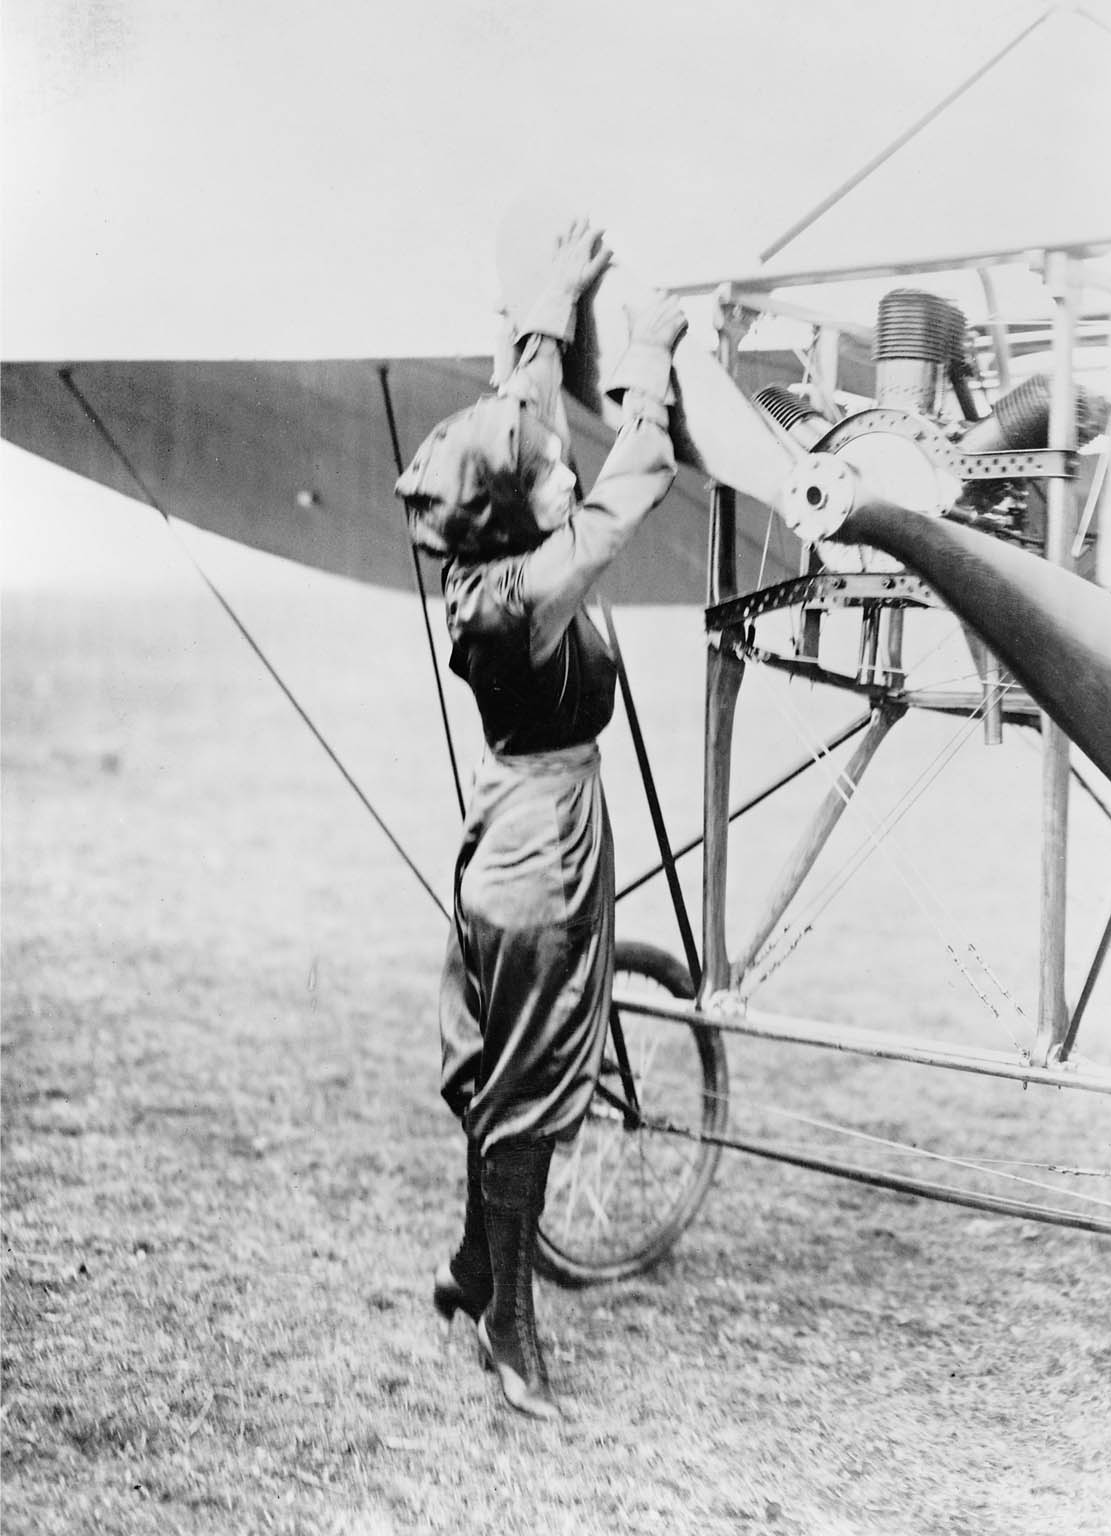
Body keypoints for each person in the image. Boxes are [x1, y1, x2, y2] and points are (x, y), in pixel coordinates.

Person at [394, 219, 687, 1420]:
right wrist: (652, 359)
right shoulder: (537, 587)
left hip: (502, 827)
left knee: (498, 1063)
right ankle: (512, 1328)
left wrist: (544, 312)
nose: (567, 466)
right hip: (546, 841)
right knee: (533, 1087)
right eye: (551, 476)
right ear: (523, 516)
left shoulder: (486, 560)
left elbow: (523, 421)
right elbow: (638, 482)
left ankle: (474, 1271)